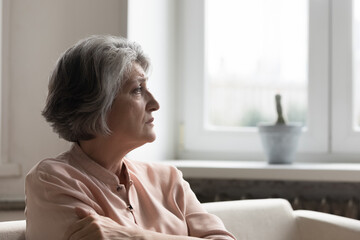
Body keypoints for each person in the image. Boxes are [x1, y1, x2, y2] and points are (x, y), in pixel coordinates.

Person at [25, 35, 236, 240]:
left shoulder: (169, 180)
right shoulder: (52, 179)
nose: (155, 103)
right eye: (137, 89)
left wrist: (132, 236)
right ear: (96, 104)